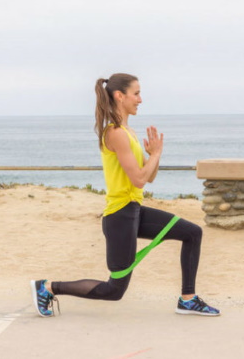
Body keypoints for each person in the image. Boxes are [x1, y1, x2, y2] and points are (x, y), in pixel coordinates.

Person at [31, 73, 219, 317]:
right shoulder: (115, 133)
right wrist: (154, 156)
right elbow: (139, 179)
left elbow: (148, 176)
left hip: (134, 211)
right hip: (120, 215)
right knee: (114, 290)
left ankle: (188, 299)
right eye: (136, 93)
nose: (140, 99)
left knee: (192, 233)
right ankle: (47, 287)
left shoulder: (128, 131)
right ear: (120, 96)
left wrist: (155, 155)